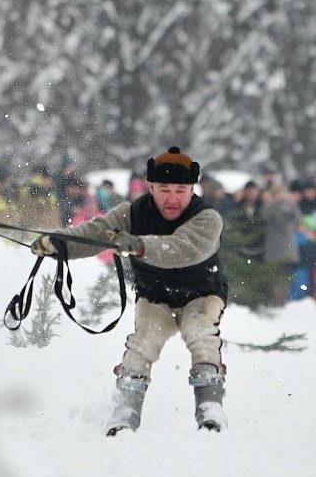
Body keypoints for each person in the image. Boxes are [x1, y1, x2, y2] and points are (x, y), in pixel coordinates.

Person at [31, 147, 229, 435]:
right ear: (151, 187)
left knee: (200, 334)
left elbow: (182, 249)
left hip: (201, 295)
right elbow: (96, 232)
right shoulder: (132, 213)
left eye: (180, 190)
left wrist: (139, 246)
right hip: (154, 296)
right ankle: (126, 410)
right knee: (143, 343)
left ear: (192, 189)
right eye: (164, 190)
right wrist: (59, 243)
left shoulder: (207, 218)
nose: (172, 198)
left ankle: (210, 408)